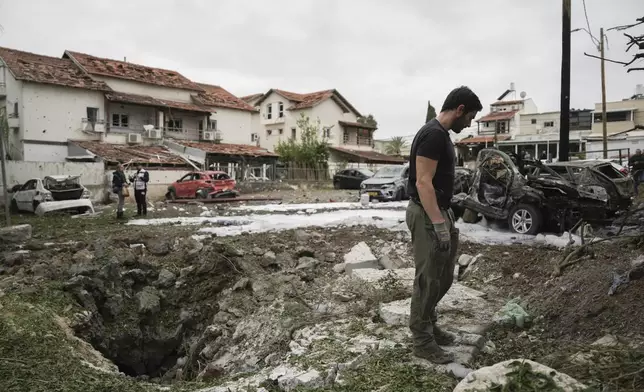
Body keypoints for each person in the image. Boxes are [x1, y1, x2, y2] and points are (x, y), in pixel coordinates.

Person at [406, 86, 482, 364]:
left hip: (439, 212)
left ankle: (429, 324)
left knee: (443, 276)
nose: (470, 123)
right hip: (427, 215)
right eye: (470, 116)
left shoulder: (441, 136)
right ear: (460, 109)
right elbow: (423, 181)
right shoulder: (433, 135)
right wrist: (438, 223)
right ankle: (422, 340)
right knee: (428, 280)